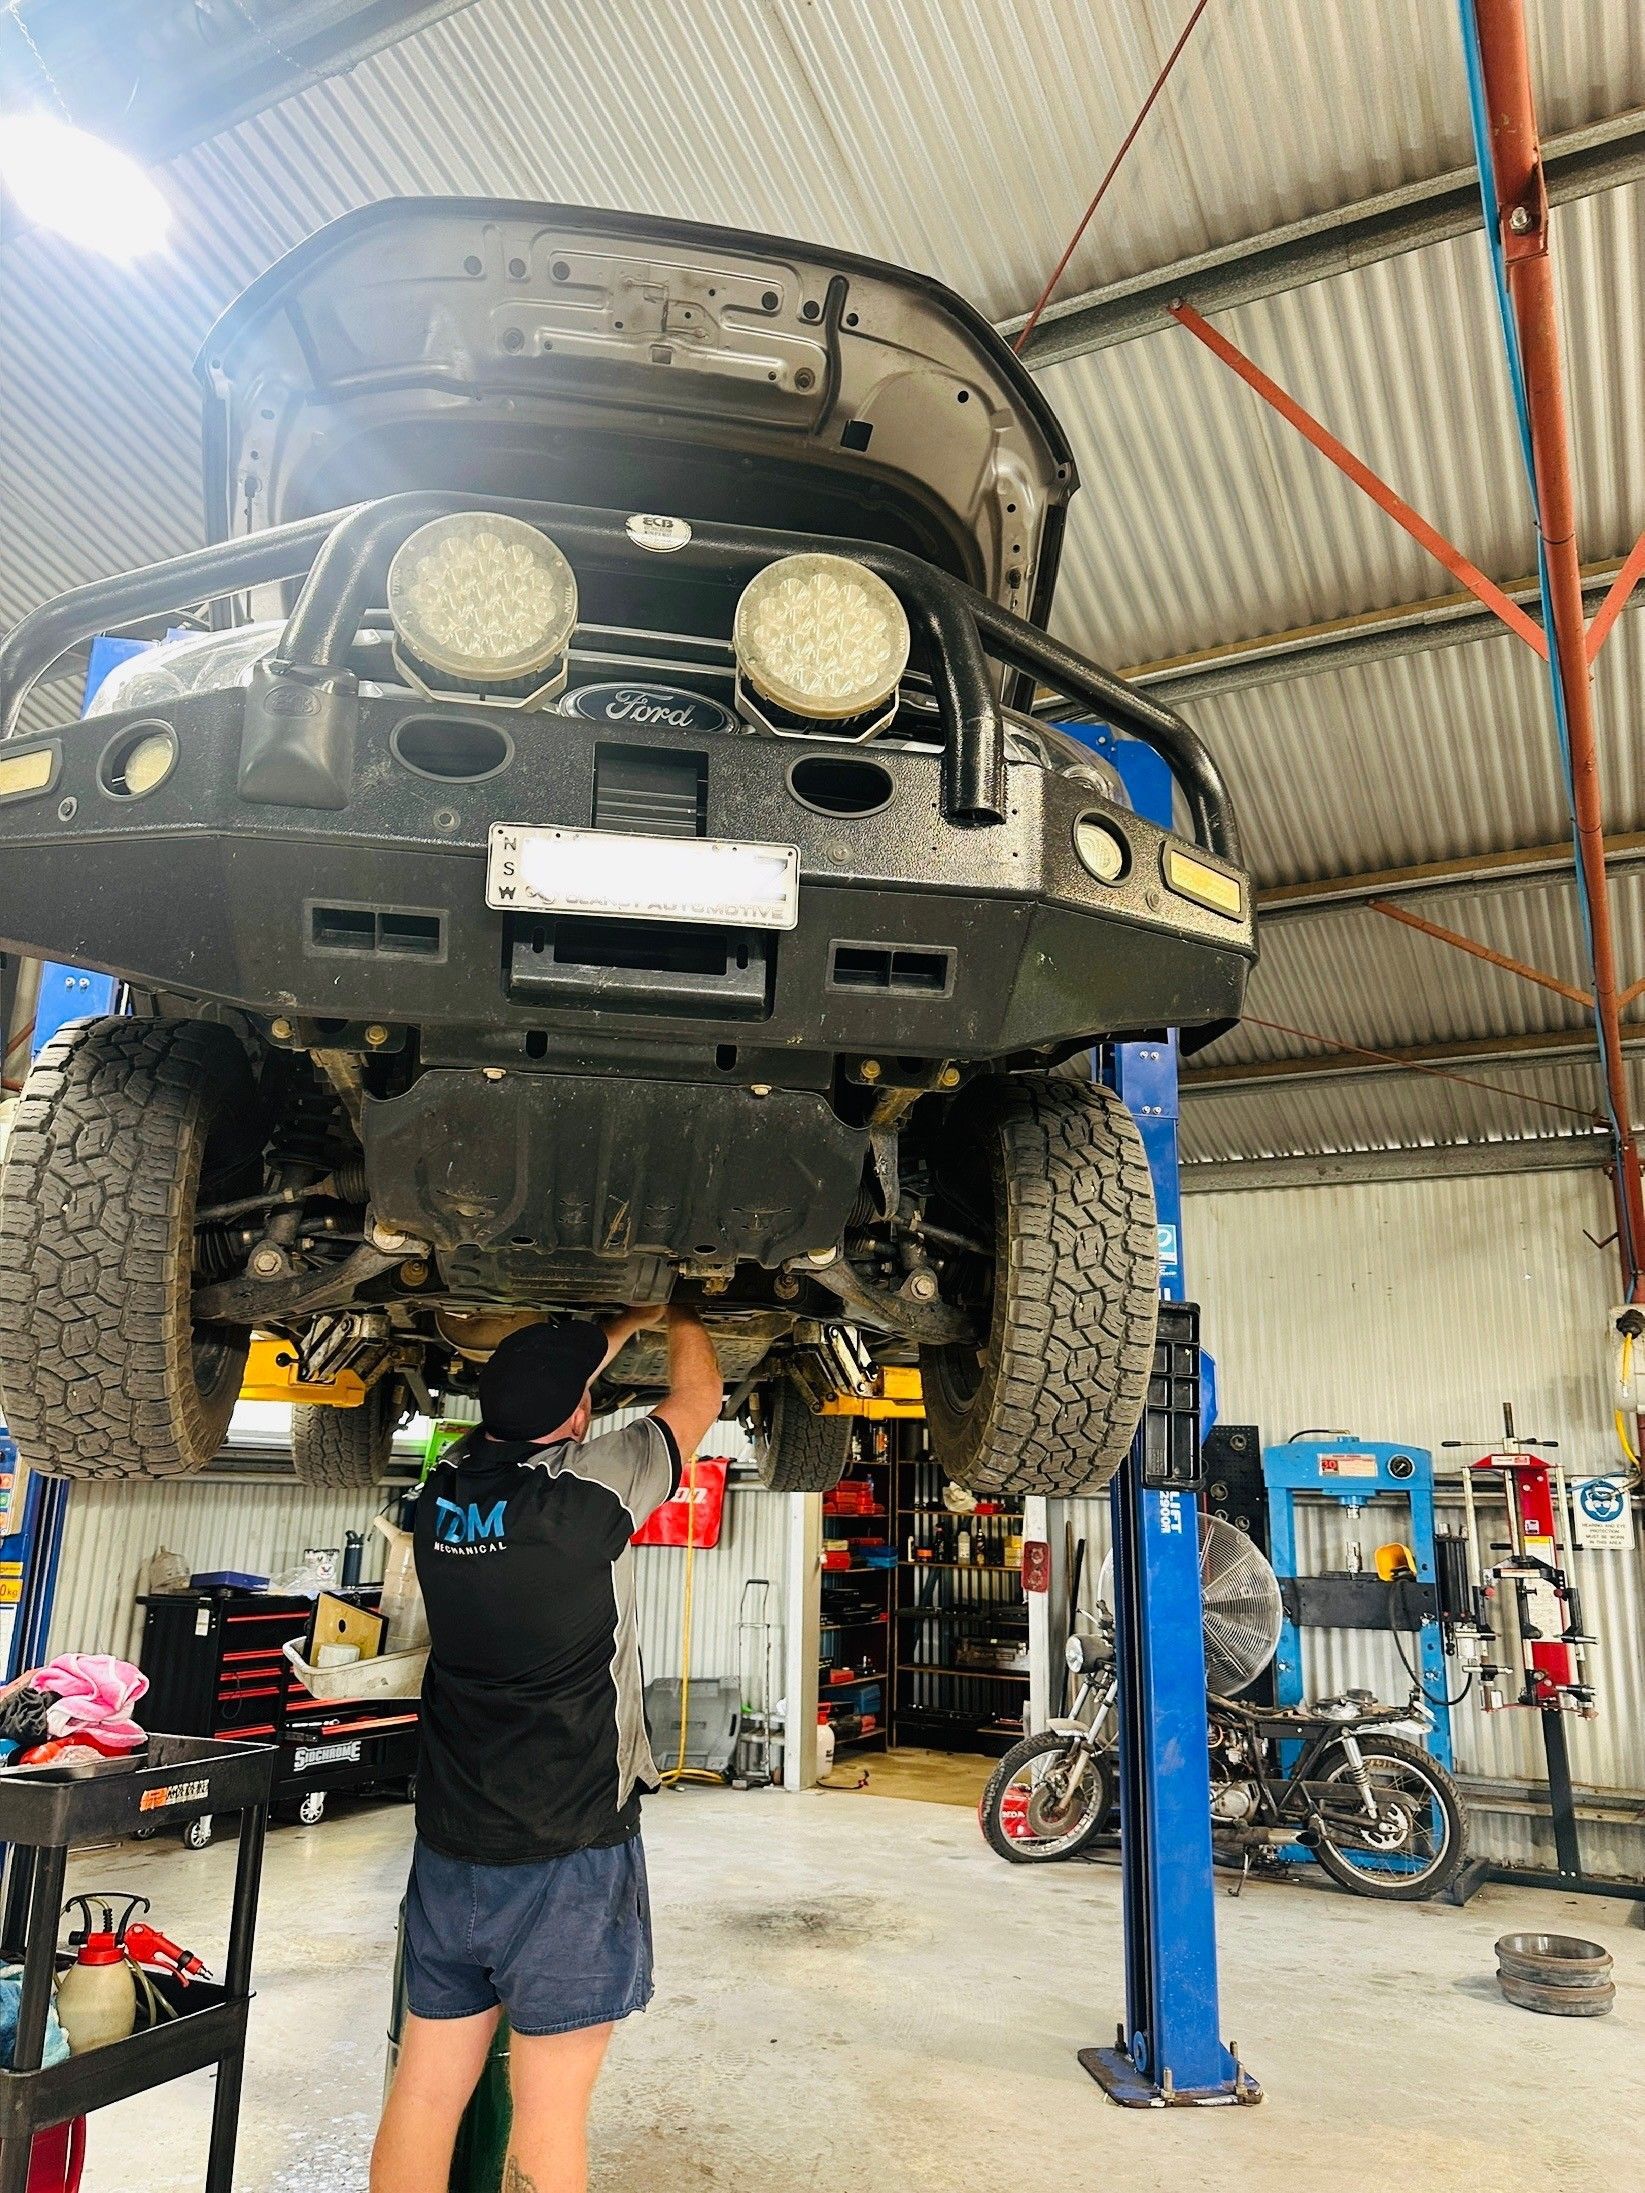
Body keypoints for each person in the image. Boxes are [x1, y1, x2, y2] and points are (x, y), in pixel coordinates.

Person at [371, 1302, 723, 2193]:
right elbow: (701, 1393)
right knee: (550, 2112)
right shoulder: (590, 1493)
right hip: (566, 1855)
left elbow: (542, 1392)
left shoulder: (441, 1487)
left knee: (424, 2091)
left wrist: (591, 1341)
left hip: (451, 1852)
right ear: (577, 1416)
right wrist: (672, 1307)